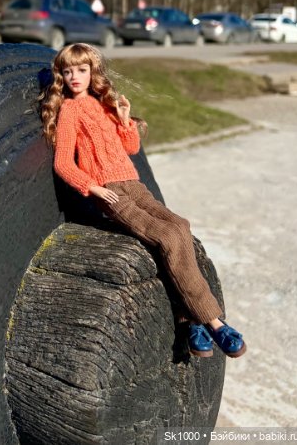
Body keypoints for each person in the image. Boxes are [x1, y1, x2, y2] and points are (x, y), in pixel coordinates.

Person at [40, 42, 246, 359]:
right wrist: (93, 188)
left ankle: (190, 321)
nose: (74, 77)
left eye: (81, 70)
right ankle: (215, 323)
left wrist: (123, 120)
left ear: (92, 72)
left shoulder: (101, 104)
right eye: (68, 72)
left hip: (133, 184)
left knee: (180, 226)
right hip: (111, 192)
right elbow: (63, 163)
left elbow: (131, 147)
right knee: (166, 236)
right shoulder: (69, 111)